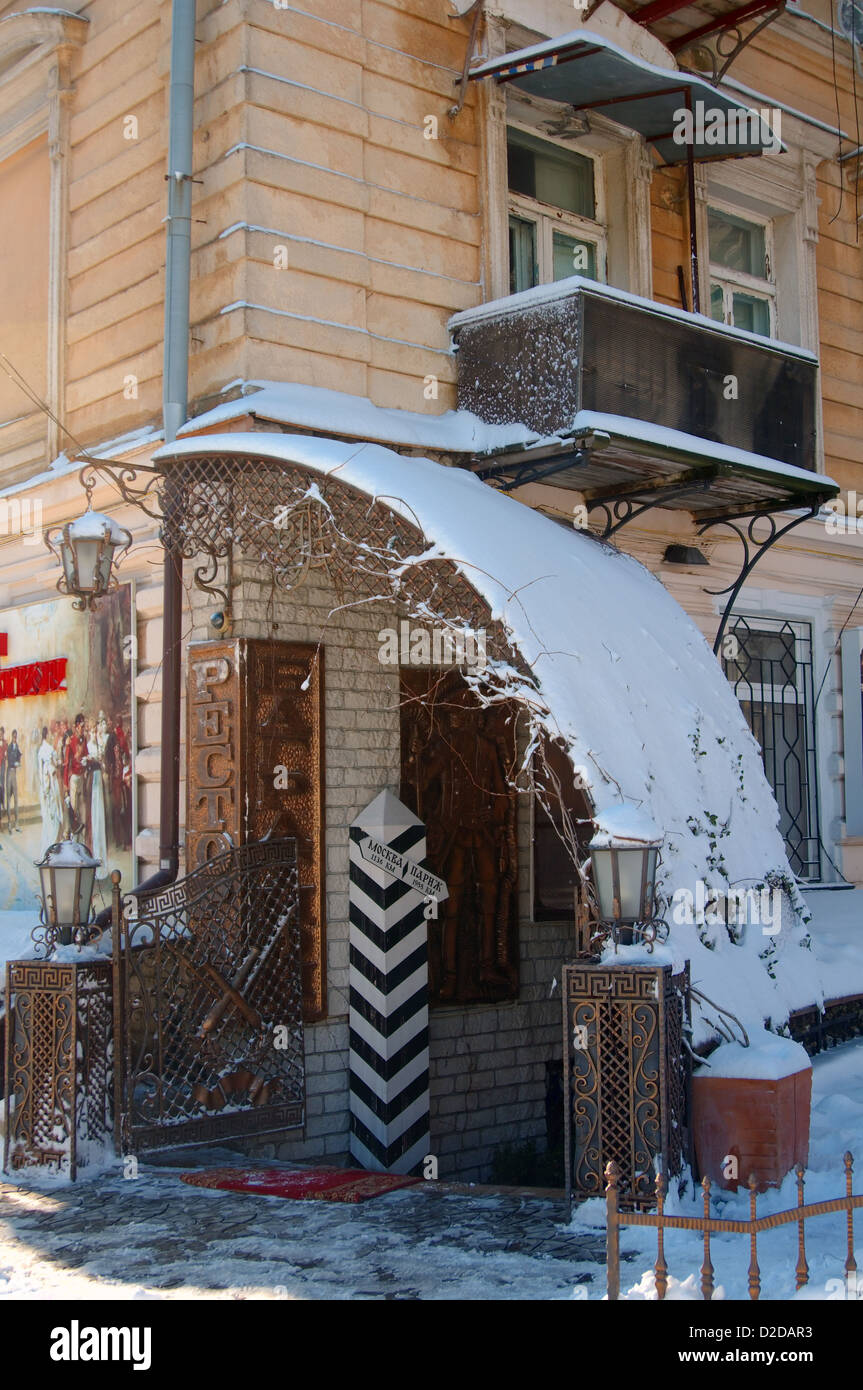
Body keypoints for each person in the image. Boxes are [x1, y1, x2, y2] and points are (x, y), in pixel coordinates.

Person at [86, 720, 108, 875]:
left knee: (100, 814)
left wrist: (100, 761)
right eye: (92, 732)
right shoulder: (88, 745)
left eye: (95, 731)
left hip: (98, 778)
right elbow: (92, 761)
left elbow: (102, 760)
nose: (94, 734)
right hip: (93, 779)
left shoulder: (98, 744)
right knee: (94, 815)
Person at [38, 726, 63, 854]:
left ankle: (54, 844)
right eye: (50, 734)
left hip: (48, 785)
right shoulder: (47, 750)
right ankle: (53, 845)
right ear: (46, 735)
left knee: (53, 815)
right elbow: (46, 769)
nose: (51, 736)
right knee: (53, 815)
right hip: (50, 785)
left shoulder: (42, 750)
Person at [63, 714, 88, 837]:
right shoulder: (71, 741)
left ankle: (82, 835)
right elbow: (66, 764)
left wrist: (86, 760)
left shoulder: (84, 740)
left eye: (84, 726)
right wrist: (66, 785)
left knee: (83, 805)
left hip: (82, 777)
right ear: (77, 726)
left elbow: (86, 754)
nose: (83, 729)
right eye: (81, 726)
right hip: (73, 778)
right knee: (73, 808)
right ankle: (70, 836)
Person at [5, 730, 21, 832]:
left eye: (16, 737)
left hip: (14, 774)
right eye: (14, 737)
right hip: (9, 774)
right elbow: (9, 760)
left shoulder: (17, 747)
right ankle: (9, 823)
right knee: (9, 799)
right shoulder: (10, 747)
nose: (15, 739)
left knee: (16, 799)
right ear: (12, 737)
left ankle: (16, 823)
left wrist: (18, 762)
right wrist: (15, 763)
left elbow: (19, 755)